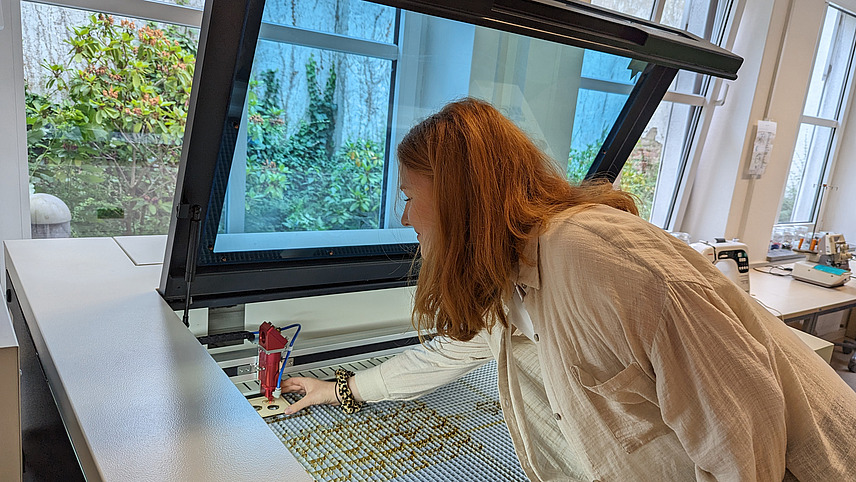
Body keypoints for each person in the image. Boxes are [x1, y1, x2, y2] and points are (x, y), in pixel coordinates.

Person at [282, 98, 856, 481]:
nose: (405, 218)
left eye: (409, 195)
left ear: (459, 197)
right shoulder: (517, 277)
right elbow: (452, 353)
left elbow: (745, 428)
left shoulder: (596, 258)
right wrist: (343, 389)